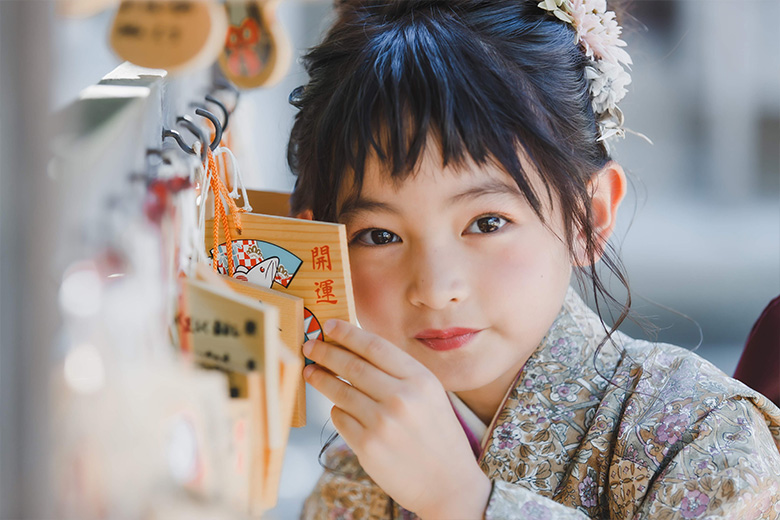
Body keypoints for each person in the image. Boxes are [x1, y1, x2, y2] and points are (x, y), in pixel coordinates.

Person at [286, 1, 780, 518]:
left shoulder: (699, 433)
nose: (435, 288)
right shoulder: (362, 463)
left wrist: (463, 502)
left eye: (487, 223)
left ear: (588, 215)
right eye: (380, 234)